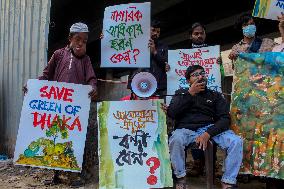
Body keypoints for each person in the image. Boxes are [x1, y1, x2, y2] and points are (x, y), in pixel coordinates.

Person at [23, 22, 97, 187]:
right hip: (57, 106)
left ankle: (74, 176)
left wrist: (93, 86)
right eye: (78, 39)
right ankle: (56, 174)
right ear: (70, 38)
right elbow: (46, 75)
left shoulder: (86, 60)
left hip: (75, 110)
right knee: (55, 138)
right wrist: (33, 85)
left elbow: (91, 78)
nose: (81, 43)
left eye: (84, 41)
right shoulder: (58, 54)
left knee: (75, 141)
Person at [167, 65, 243, 189]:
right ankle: (180, 177)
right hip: (186, 130)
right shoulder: (180, 93)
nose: (200, 76)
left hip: (209, 128)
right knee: (175, 139)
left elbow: (225, 119)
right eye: (195, 75)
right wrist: (190, 94)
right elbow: (172, 113)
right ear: (188, 81)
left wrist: (208, 133)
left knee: (236, 141)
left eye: (202, 73)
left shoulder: (215, 95)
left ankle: (228, 181)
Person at [128, 20, 168, 97]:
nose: (156, 33)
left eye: (158, 32)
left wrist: (155, 52)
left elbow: (167, 65)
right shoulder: (134, 45)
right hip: (138, 85)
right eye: (153, 30)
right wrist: (105, 39)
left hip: (158, 87)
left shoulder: (163, 46)